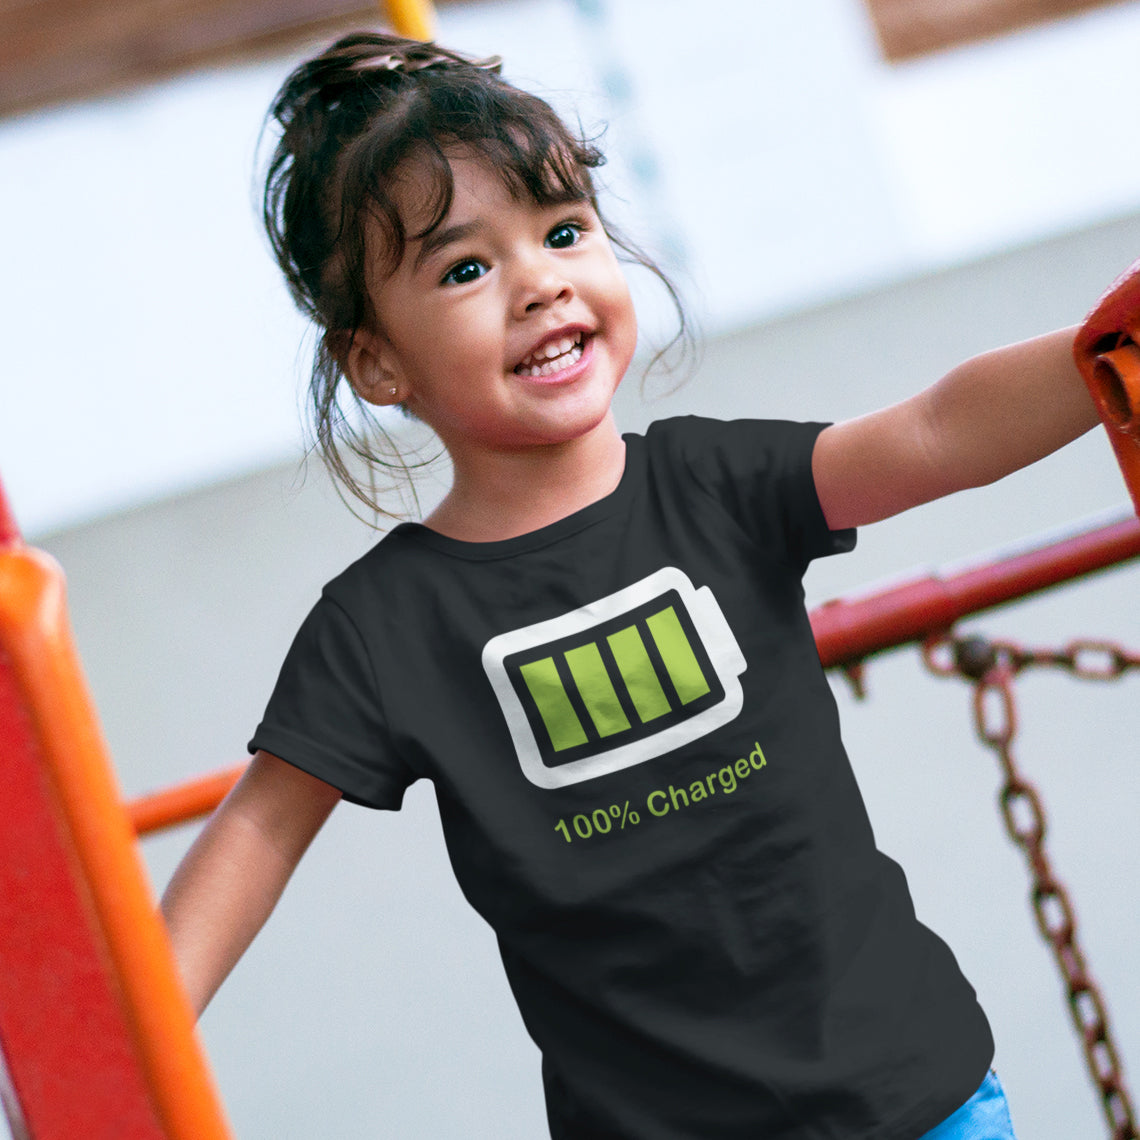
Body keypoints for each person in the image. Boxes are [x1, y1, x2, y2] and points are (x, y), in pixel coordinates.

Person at [160, 30, 1105, 1139]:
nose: (538, 282)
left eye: (563, 232)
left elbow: (937, 431)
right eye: (466, 268)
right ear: (378, 363)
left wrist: (1106, 349)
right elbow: (258, 833)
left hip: (909, 1091)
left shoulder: (716, 482)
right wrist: (114, 1054)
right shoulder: (384, 624)